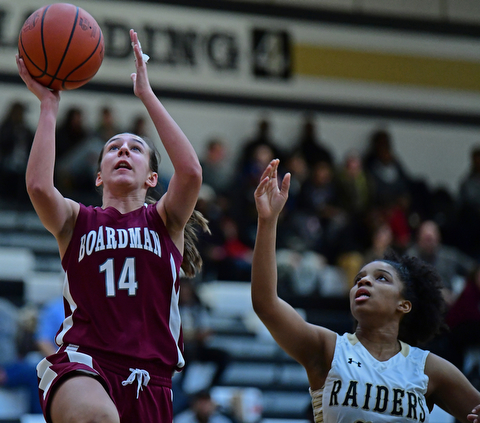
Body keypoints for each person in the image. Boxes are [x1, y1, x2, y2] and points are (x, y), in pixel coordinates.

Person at [17, 28, 208, 423]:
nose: (123, 149)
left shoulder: (165, 220)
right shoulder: (76, 220)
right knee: (97, 418)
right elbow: (38, 185)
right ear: (99, 176)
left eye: (135, 148)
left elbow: (190, 172)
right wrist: (49, 107)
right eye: (113, 148)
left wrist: (146, 95)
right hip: (84, 362)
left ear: (152, 178)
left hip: (152, 381)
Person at [251, 159, 480, 423]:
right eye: (359, 278)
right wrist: (267, 222)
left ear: (404, 304)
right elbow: (265, 304)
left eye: (381, 278)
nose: (363, 282)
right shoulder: (328, 349)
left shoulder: (428, 368)